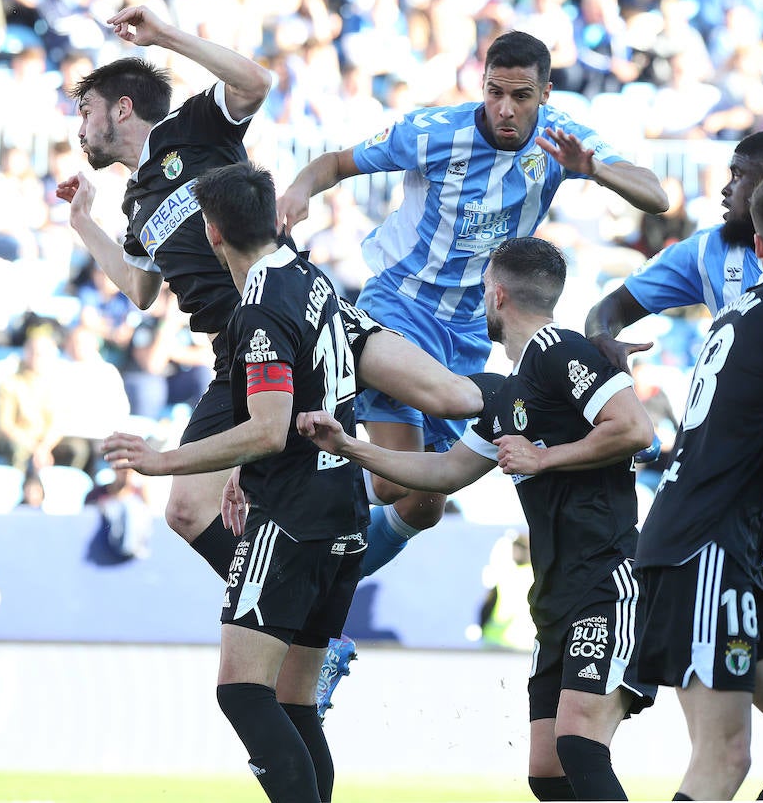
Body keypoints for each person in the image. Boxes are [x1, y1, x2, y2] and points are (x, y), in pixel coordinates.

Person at [56, 6, 487, 711]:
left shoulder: (189, 129)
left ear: (121, 107)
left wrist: (166, 35)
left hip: (304, 309)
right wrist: (84, 224)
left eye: (85, 108)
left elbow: (256, 81)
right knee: (187, 510)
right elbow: (139, 289)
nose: (79, 125)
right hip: (246, 356)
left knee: (457, 402)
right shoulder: (135, 202)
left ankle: (554, 401)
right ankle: (305, 631)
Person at [277, 29, 668, 582]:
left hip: (471, 328)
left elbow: (658, 196)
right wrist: (297, 192)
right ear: (481, 85)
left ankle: (320, 601)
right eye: (494, 92)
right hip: (400, 307)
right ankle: (285, 494)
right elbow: (336, 163)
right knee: (393, 482)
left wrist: (592, 170)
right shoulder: (433, 132)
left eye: (521, 96)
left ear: (546, 93)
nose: (505, 109)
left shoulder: (564, 142)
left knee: (424, 504)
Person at [299, 237, 657, 801]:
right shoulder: (505, 392)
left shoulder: (560, 348)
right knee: (547, 769)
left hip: (608, 578)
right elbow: (442, 472)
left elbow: (636, 429)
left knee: (580, 746)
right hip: (559, 590)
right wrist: (351, 447)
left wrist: (544, 458)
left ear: (496, 293)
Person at [102, 164, 366, 803]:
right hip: (342, 508)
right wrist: (244, 474)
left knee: (243, 693)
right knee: (295, 703)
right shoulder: (311, 278)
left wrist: (164, 461)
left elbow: (269, 428)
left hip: (293, 518)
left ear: (213, 234)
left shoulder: (256, 312)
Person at [585, 129, 763, 627]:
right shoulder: (709, 251)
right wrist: (603, 337)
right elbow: (609, 307)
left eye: (737, 176)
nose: (724, 190)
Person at [633, 172, 763, 800]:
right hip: (707, 549)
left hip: (727, 546)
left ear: (757, 245)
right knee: (724, 755)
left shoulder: (737, 312)